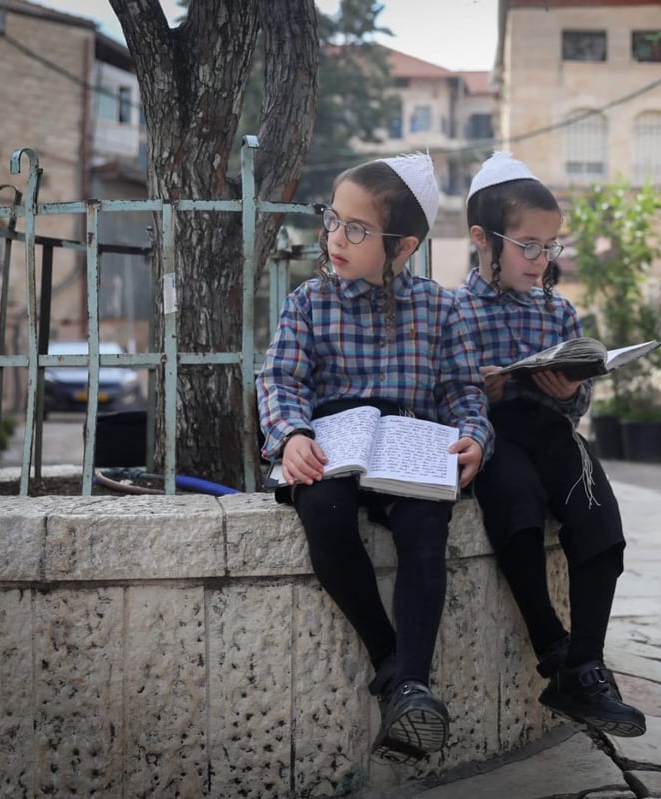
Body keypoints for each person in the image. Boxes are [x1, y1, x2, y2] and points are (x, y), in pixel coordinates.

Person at [256, 153, 492, 763]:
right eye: (333, 220)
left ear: (403, 247)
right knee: (326, 514)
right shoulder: (310, 302)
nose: (336, 238)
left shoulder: (445, 310)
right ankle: (397, 669)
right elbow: (281, 379)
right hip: (333, 444)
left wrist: (473, 434)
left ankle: (409, 677)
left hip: (409, 445)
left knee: (423, 527)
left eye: (357, 231)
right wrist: (292, 436)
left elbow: (463, 392)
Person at [452, 151, 646, 737]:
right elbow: (442, 395)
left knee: (597, 513)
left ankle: (587, 664)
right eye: (529, 246)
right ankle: (555, 652)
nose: (543, 260)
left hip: (551, 431)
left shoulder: (558, 310)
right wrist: (479, 389)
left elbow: (578, 403)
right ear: (484, 241)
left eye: (551, 246)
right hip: (493, 435)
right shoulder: (451, 311)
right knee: (513, 501)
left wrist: (568, 389)